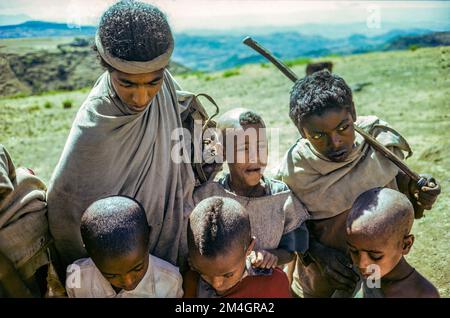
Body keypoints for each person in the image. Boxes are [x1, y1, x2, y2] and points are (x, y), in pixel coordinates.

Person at [47, 1, 200, 271]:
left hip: (167, 265)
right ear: (107, 67)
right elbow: (66, 209)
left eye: (153, 82)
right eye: (126, 83)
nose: (141, 98)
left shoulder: (166, 92)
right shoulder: (97, 123)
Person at [277, 70, 441, 297]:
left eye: (343, 128)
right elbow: (288, 225)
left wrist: (418, 191)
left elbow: (399, 192)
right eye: (318, 136)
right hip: (323, 282)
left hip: (381, 273)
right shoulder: (295, 171)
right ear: (301, 131)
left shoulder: (379, 143)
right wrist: (318, 252)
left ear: (353, 114)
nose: (335, 143)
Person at [194, 108, 309, 271]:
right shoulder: (207, 196)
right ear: (222, 152)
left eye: (261, 146)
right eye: (244, 149)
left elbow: (291, 251)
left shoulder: (279, 196)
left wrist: (272, 256)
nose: (255, 156)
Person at [66, 195, 183, 298]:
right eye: (111, 275)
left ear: (148, 239)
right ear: (90, 253)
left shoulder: (170, 281)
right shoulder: (76, 276)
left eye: (137, 268)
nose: (128, 283)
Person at [184, 196, 292, 298]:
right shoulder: (190, 280)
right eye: (204, 274)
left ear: (249, 248)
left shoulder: (272, 284)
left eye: (228, 275)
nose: (217, 284)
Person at [346, 187, 439, 298]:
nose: (362, 264)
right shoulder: (369, 276)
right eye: (354, 251)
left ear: (406, 245)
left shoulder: (422, 294)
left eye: (375, 256)